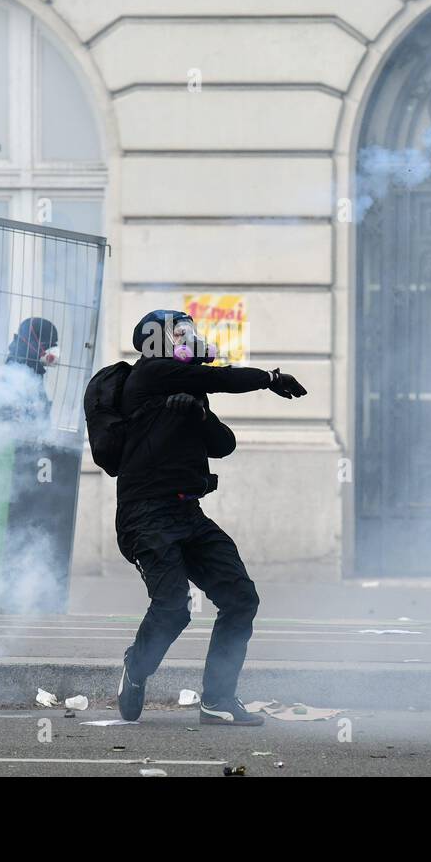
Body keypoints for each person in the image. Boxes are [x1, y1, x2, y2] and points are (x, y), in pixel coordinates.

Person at [112, 309, 307, 725]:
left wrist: (197, 415)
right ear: (155, 341)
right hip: (146, 515)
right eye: (178, 331)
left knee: (240, 599)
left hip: (187, 512)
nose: (189, 336)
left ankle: (217, 700)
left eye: (189, 330)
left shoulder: (188, 388)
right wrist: (269, 379)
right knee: (172, 608)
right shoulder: (150, 375)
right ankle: (137, 666)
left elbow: (224, 444)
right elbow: (219, 378)